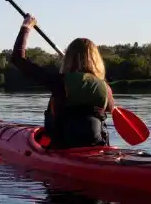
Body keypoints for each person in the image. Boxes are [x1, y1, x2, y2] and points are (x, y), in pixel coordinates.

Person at [10, 14, 115, 149]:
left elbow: (18, 59)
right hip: (98, 148)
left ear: (68, 58)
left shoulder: (59, 82)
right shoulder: (105, 88)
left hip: (63, 148)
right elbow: (111, 108)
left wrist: (26, 26)